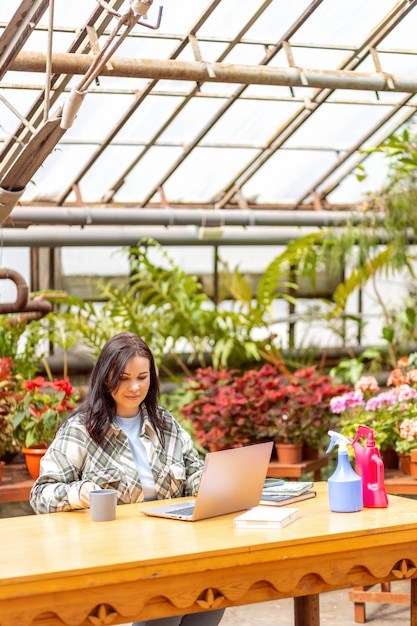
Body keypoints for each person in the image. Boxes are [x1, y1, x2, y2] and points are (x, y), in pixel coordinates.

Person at [30, 331, 225, 626]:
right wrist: (78, 492)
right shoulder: (81, 431)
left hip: (172, 550)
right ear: (105, 377)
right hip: (115, 557)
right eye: (123, 377)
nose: (134, 387)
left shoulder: (165, 424)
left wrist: (222, 485)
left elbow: (195, 474)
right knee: (167, 605)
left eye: (142, 377)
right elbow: (40, 493)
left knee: (215, 594)